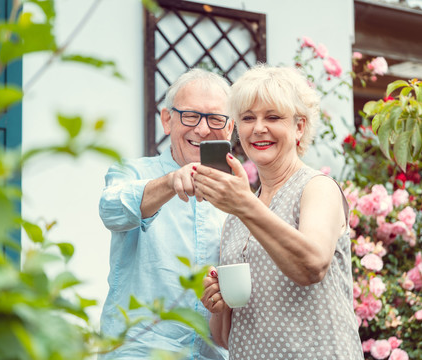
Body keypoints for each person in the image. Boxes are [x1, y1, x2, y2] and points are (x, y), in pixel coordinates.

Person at [194, 64, 364, 359]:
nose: (259, 128)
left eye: (273, 117)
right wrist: (218, 306)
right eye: (248, 118)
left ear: (299, 127)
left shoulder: (316, 187)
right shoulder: (235, 216)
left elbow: (312, 265)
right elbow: (224, 337)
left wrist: (245, 205)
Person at [98, 68, 234, 359]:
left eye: (215, 118)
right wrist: (171, 182)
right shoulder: (132, 171)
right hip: (138, 351)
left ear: (230, 128)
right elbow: (110, 210)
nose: (202, 129)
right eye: (190, 116)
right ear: (167, 120)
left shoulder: (238, 196)